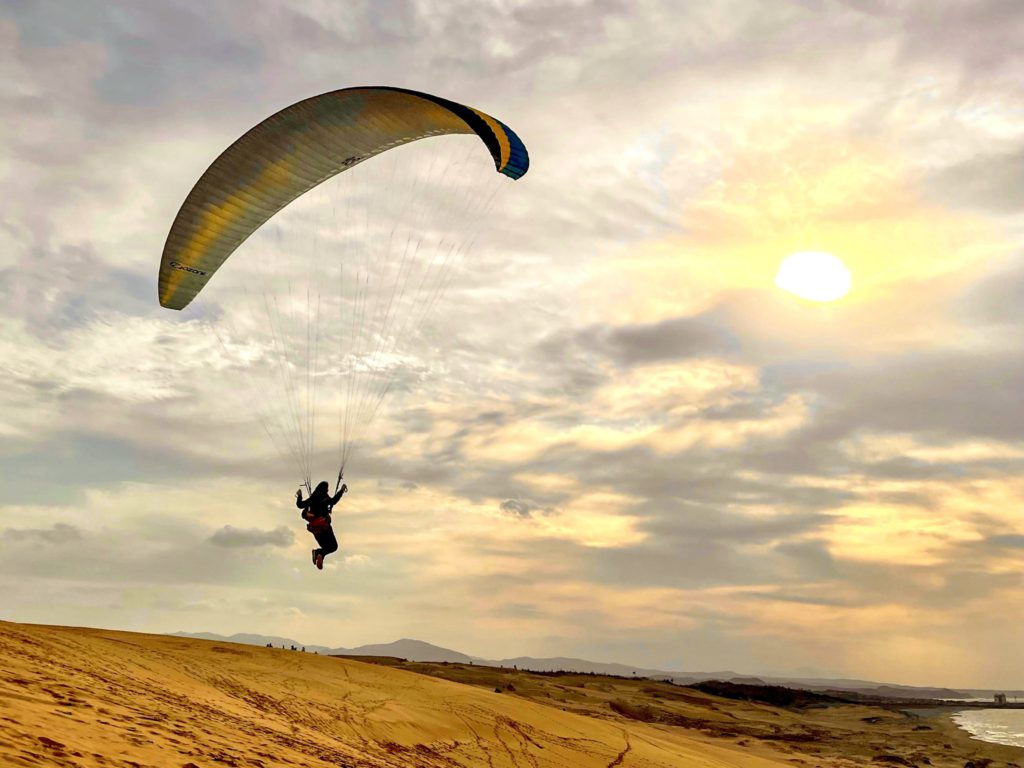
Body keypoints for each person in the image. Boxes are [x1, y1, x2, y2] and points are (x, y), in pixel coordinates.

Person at [296, 481, 347, 570]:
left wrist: (299, 496)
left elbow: (300, 505)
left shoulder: (312, 498)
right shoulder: (325, 498)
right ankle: (319, 553)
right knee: (333, 546)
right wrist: (341, 490)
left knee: (325, 547)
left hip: (316, 529)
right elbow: (334, 501)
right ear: (325, 490)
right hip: (324, 527)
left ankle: (319, 554)